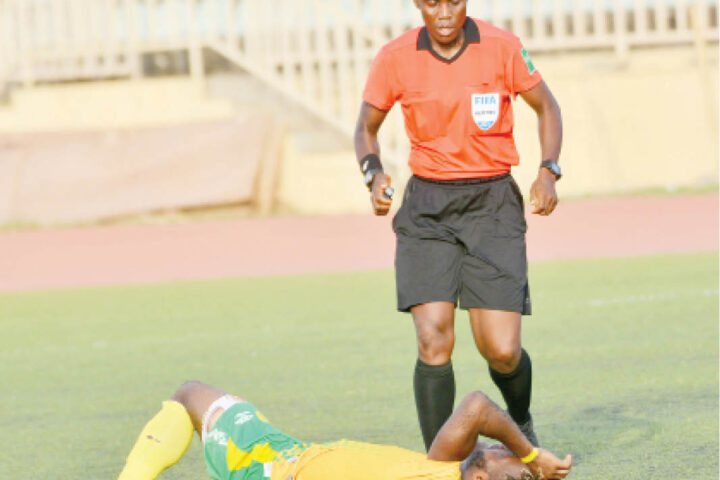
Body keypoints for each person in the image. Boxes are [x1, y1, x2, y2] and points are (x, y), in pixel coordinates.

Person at [353, 0, 563, 451]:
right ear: (417, 4)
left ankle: (520, 421)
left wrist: (548, 169)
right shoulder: (394, 57)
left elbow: (547, 107)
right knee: (433, 339)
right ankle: (439, 463)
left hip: (493, 206)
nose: (445, 12)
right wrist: (374, 174)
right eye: (433, 2)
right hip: (428, 209)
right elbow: (365, 128)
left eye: (455, 1)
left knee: (502, 350)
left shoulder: (502, 47)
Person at [117, 380, 572, 480]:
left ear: (481, 474)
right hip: (292, 453)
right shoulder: (443, 464)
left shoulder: (443, 474)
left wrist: (533, 456)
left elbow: (478, 406)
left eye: (505, 455)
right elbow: (475, 411)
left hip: (269, 465)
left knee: (190, 396)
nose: (501, 445)